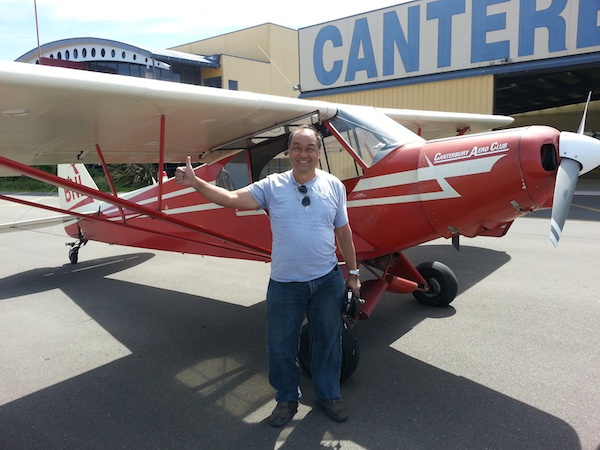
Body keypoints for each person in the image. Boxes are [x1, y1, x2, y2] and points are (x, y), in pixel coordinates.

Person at [175, 125, 361, 427]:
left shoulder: (334, 186)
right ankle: (287, 398)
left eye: (310, 147)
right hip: (286, 283)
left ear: (318, 152)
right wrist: (197, 183)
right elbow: (232, 198)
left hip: (327, 280)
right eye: (297, 147)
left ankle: (329, 394)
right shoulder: (272, 186)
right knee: (280, 345)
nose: (303, 154)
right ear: (288, 152)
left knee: (328, 341)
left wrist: (352, 273)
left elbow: (344, 231)